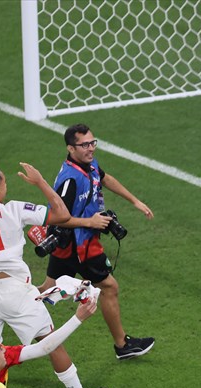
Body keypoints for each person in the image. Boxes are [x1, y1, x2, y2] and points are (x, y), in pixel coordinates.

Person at [0, 163, 107, 388]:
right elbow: (63, 215)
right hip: (16, 292)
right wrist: (41, 182)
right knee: (51, 342)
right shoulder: (14, 210)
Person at [39, 123, 155, 360]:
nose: (91, 148)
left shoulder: (87, 165)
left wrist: (135, 201)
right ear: (71, 148)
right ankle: (122, 345)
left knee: (45, 291)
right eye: (85, 145)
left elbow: (104, 178)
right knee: (109, 287)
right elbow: (58, 219)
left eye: (93, 142)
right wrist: (90, 223)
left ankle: (1, 309)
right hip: (78, 246)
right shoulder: (70, 180)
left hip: (78, 244)